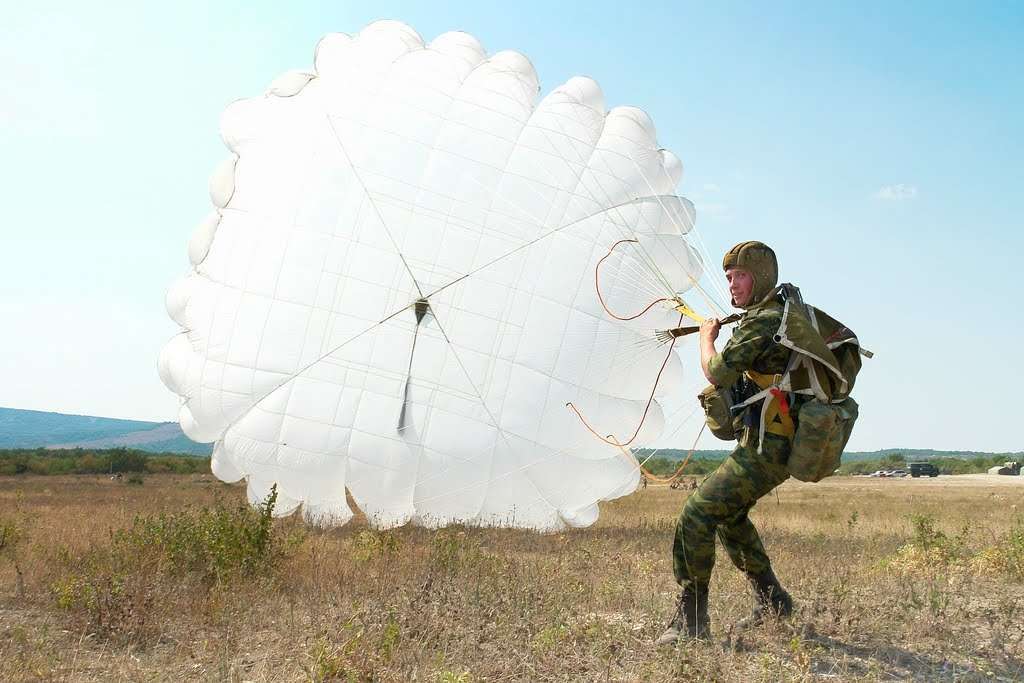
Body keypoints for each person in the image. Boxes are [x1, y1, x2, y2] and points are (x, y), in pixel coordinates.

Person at [656, 240, 797, 645]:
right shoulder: (776, 313)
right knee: (729, 517)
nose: (733, 285)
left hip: (769, 447)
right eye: (730, 278)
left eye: (741, 276)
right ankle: (775, 602)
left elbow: (717, 371)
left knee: (697, 514)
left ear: (762, 277)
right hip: (773, 442)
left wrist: (706, 337)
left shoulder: (762, 321)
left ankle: (691, 622)